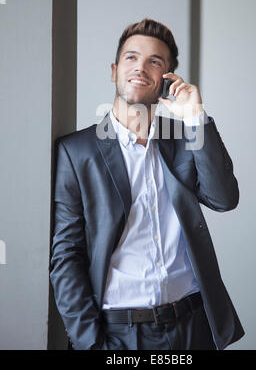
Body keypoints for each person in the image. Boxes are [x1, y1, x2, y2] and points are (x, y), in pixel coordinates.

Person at [50, 18, 244, 350]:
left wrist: (195, 117)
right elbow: (66, 256)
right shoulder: (76, 152)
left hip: (192, 326)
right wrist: (91, 344)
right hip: (120, 334)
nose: (141, 67)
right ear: (114, 71)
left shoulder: (183, 140)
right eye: (131, 57)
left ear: (167, 80)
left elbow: (224, 198)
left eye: (155, 61)